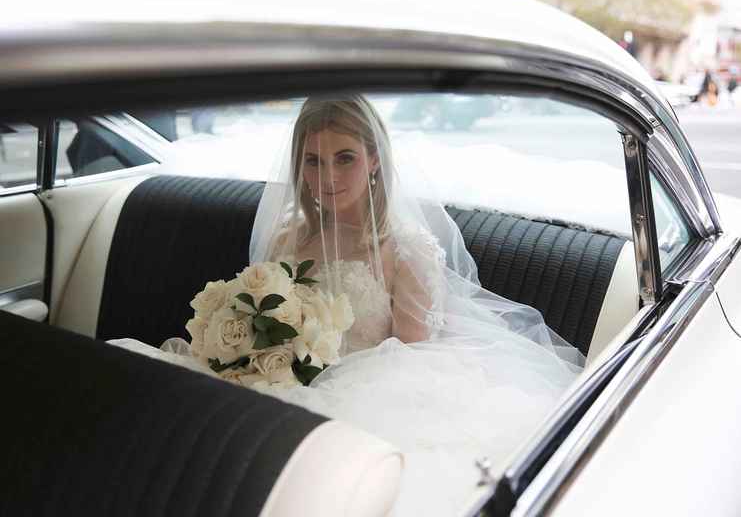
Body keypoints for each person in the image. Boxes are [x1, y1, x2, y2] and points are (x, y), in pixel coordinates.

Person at [110, 95, 583, 516]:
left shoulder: (404, 250)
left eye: (345, 158)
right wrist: (257, 352)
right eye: (313, 161)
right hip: (274, 376)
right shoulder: (289, 236)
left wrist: (315, 373)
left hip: (372, 389)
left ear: (374, 159)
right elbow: (260, 311)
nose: (327, 177)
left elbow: (412, 354)